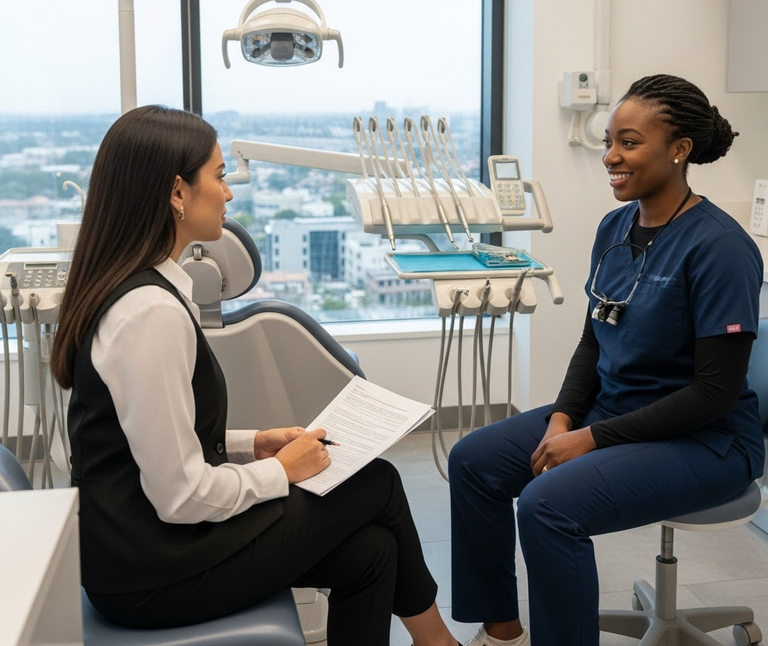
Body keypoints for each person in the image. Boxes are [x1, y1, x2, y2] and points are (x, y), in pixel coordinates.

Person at [50, 105, 461, 646]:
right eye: (218, 176)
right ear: (177, 193)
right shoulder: (150, 313)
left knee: (372, 554)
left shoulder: (144, 288)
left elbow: (154, 440)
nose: (229, 193)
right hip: (149, 575)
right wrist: (282, 473)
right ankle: (439, 642)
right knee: (376, 482)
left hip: (146, 550)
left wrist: (252, 444)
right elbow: (180, 495)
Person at [448, 74, 765, 646]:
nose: (611, 157)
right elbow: (595, 339)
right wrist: (565, 418)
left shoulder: (719, 247)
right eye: (608, 142)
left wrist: (590, 441)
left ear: (680, 150)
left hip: (707, 439)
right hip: (616, 412)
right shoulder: (616, 228)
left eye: (629, 142)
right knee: (475, 460)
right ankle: (502, 630)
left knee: (547, 507)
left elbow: (713, 394)